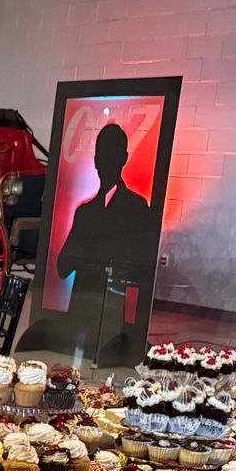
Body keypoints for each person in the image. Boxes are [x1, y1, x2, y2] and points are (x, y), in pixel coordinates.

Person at [55, 121, 159, 366]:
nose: (104, 161)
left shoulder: (136, 208)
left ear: (123, 158)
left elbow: (140, 265)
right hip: (80, 320)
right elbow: (63, 266)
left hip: (111, 317)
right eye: (101, 154)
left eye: (111, 154)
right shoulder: (85, 213)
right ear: (95, 158)